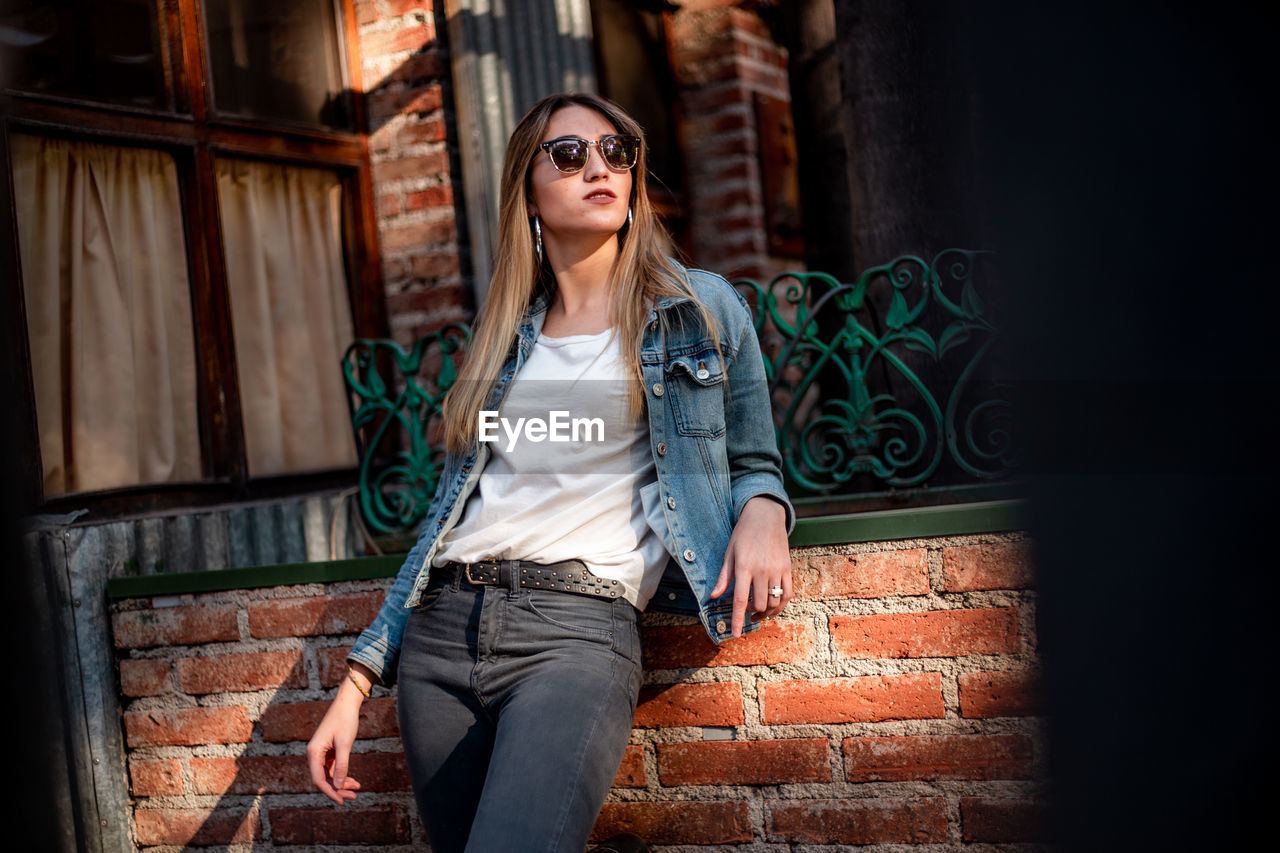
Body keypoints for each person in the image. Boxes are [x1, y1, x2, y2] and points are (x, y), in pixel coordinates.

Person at [307, 92, 794, 853]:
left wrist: (764, 506)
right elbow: (445, 519)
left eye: (616, 152)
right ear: (528, 191)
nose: (598, 168)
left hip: (577, 635)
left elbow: (756, 454)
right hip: (442, 637)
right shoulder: (503, 339)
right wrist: (357, 681)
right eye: (569, 155)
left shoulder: (698, 308)